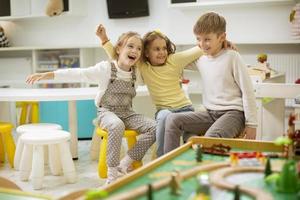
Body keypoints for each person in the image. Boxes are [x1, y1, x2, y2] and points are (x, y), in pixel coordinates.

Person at [26, 31, 156, 185]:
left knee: (155, 127)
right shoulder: (106, 69)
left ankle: (125, 163)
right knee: (116, 125)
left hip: (128, 113)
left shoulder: (137, 73)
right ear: (119, 49)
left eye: (139, 49)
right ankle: (112, 175)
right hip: (107, 112)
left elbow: (156, 75)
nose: (135, 51)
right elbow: (78, 73)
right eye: (130, 46)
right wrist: (49, 74)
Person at [96, 24, 203, 157]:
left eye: (164, 48)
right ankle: (162, 158)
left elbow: (199, 49)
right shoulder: (143, 66)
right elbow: (119, 55)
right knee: (164, 117)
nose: (162, 52)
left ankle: (191, 156)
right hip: (164, 111)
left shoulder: (174, 60)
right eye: (157, 49)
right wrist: (104, 40)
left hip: (185, 109)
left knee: (191, 138)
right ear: (146, 53)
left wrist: (223, 43)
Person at [164, 12, 258, 154]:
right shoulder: (201, 58)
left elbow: (248, 91)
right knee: (172, 119)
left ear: (222, 37)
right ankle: (168, 162)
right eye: (198, 39)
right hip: (210, 114)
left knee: (209, 139)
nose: (202, 44)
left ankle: (200, 156)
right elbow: (175, 60)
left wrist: (252, 124)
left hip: (233, 114)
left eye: (207, 39)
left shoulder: (232, 57)